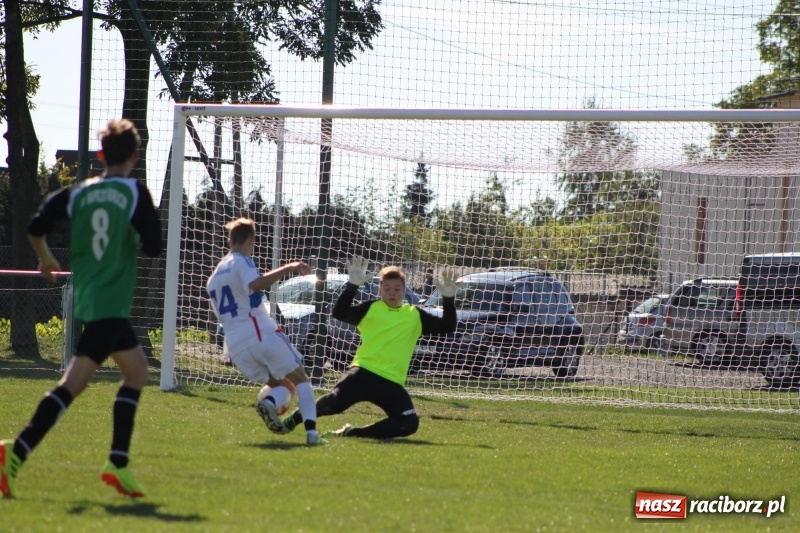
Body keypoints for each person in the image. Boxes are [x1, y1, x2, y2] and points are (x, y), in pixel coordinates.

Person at [0, 119, 162, 499]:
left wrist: (45, 258)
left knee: (136, 371)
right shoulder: (136, 194)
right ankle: (15, 452)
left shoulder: (81, 193)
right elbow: (154, 245)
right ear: (135, 157)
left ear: (102, 155)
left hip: (91, 296)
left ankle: (117, 464)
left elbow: (36, 224)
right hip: (110, 301)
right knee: (73, 384)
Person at [281, 256, 457, 439]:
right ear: (380, 290)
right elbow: (339, 313)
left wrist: (449, 299)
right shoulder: (371, 308)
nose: (392, 293)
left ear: (404, 291)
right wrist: (351, 286)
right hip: (363, 373)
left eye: (397, 289)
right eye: (387, 288)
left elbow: (448, 326)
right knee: (333, 404)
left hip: (391, 382)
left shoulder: (414, 315)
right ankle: (293, 420)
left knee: (408, 424)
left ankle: (352, 433)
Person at [206, 217, 325, 445]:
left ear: (228, 240)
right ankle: (311, 434)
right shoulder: (242, 260)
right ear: (251, 240)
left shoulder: (213, 279)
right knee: (302, 380)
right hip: (260, 333)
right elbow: (256, 284)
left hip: (236, 347)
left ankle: (270, 402)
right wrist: (289, 267)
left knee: (283, 384)